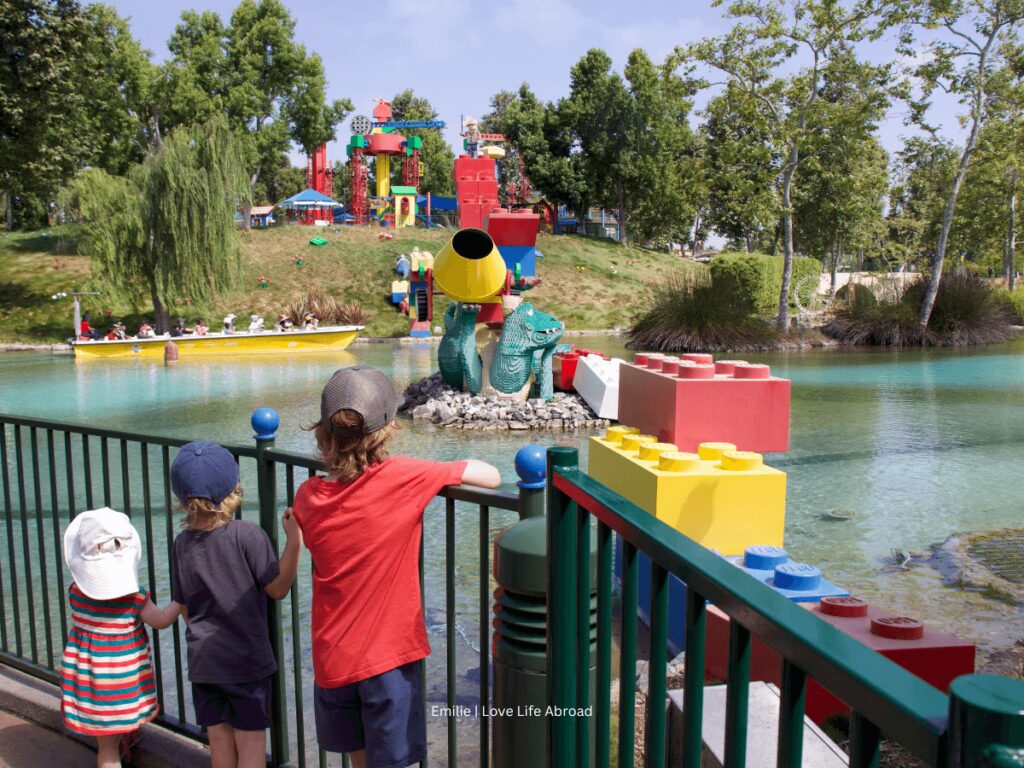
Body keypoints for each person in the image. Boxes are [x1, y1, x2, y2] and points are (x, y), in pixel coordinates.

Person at [291, 367, 500, 768]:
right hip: (387, 660)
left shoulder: (307, 496)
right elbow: (489, 476)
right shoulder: (405, 477)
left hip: (332, 657)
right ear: (386, 429)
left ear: (324, 432)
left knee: (360, 759)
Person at [170, 441, 302, 768]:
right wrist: (295, 540)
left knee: (218, 740)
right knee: (252, 744)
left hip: (204, 661)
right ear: (234, 489)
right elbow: (278, 588)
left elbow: (185, 607)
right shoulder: (248, 535)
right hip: (246, 662)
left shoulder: (181, 544)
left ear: (182, 499)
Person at [60, 508, 180, 768]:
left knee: (107, 741)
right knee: (108, 752)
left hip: (92, 681)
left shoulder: (76, 593)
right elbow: (160, 620)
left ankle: (124, 740)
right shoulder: (135, 598)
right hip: (122, 683)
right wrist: (180, 603)